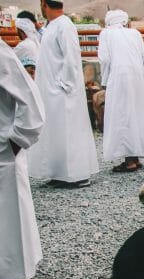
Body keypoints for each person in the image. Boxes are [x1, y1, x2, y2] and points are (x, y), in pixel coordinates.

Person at [27, 0, 99, 189]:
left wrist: (64, 84)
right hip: (52, 91)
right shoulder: (52, 26)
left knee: (69, 132)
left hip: (62, 91)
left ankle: (75, 175)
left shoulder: (65, 25)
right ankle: (59, 173)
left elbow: (72, 58)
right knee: (56, 133)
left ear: (44, 4)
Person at [0, 39, 45, 279]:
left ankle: (10, 274)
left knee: (7, 215)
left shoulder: (3, 55)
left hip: (3, 152)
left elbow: (30, 99)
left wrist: (18, 139)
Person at [98, 10, 144, 172]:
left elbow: (105, 59)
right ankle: (135, 156)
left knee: (121, 116)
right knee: (136, 114)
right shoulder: (135, 33)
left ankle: (129, 161)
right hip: (137, 78)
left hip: (118, 78)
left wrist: (105, 81)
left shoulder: (106, 34)